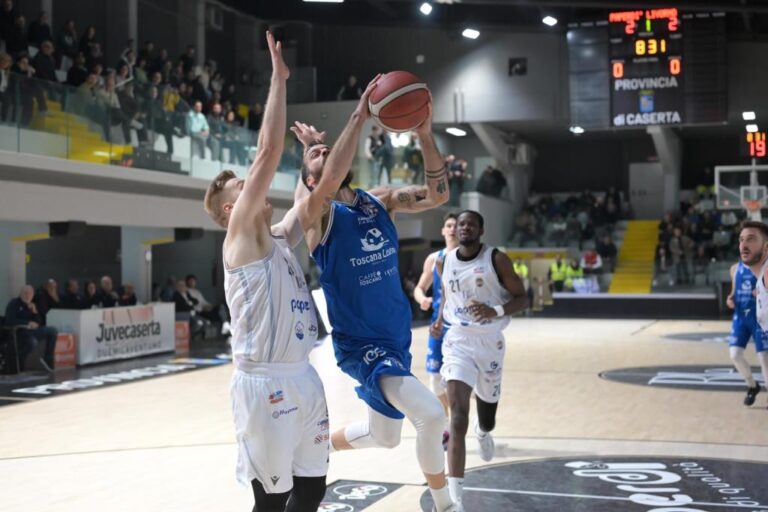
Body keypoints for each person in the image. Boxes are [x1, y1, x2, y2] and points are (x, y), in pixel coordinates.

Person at [292, 82, 457, 511]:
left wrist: (424, 134)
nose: (325, 152)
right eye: (316, 155)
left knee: (384, 437)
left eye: (327, 149)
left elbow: (438, 195)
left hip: (395, 340)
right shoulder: (317, 215)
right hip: (363, 345)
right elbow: (327, 181)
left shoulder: (378, 201)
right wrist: (359, 115)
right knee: (431, 415)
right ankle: (445, 505)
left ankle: (309, 451)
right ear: (309, 180)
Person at [202, 32, 329, 512]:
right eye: (242, 184)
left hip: (303, 375)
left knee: (312, 489)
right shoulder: (240, 237)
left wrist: (310, 160)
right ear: (231, 208)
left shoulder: (274, 237)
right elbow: (268, 150)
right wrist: (279, 78)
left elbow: (308, 206)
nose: (253, 181)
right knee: (272, 502)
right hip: (265, 384)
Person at [431, 210, 527, 510]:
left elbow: (524, 298)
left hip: (489, 341)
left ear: (481, 231)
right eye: (461, 224)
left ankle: (484, 432)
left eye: (471, 224)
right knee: (458, 417)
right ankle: (455, 500)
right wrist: (439, 318)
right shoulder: (444, 261)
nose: (465, 228)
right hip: (457, 339)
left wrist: (494, 311)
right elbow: (447, 293)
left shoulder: (497, 259)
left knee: (487, 417)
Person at [413, 213, 458, 436]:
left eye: (456, 225)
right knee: (435, 378)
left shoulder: (469, 258)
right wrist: (422, 299)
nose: (452, 229)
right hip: (438, 326)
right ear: (443, 230)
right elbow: (419, 288)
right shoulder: (434, 258)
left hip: (461, 326)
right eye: (449, 225)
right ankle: (448, 424)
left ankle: (469, 419)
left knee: (462, 380)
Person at [726, 261, 765, 406]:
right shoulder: (735, 268)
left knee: (764, 357)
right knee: (735, 354)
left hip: (759, 318)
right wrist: (730, 299)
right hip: (740, 318)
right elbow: (733, 293)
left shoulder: (764, 267)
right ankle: (752, 386)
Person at [738, 221, 768, 407]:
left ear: (766, 247)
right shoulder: (761, 278)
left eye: (751, 239)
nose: (744, 245)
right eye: (741, 240)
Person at [4, 285, 57, 372]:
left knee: (52, 330)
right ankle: (18, 361)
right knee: (32, 342)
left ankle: (48, 359)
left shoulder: (31, 305)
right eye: (25, 293)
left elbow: (39, 322)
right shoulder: (14, 303)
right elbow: (9, 320)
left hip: (32, 331)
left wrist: (35, 312)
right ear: (20, 294)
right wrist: (27, 323)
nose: (27, 296)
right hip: (20, 332)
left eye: (30, 294)